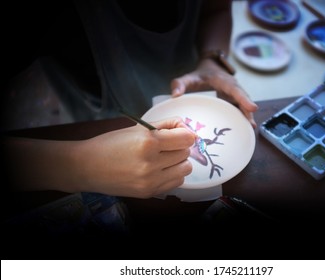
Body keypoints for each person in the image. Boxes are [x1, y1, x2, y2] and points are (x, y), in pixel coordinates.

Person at [1, 0, 258, 199]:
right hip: (100, 114)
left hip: (190, 79)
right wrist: (80, 165)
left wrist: (212, 60)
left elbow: (216, 10)